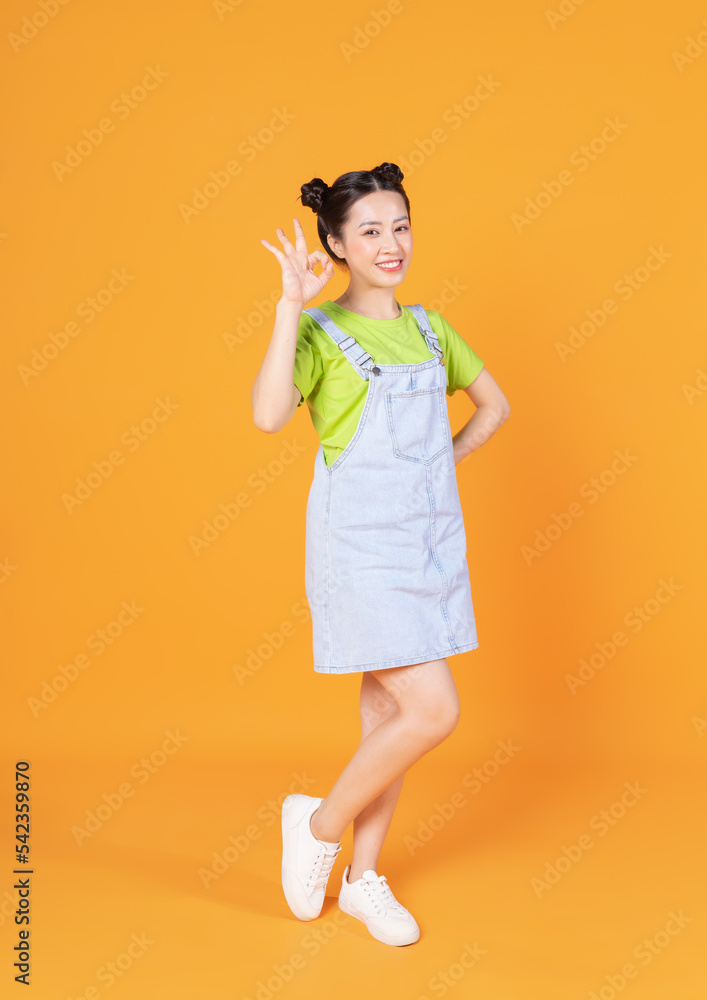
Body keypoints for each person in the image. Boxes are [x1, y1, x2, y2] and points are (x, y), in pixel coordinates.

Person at [251, 161, 510, 947]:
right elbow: (266, 417)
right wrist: (289, 306)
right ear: (334, 244)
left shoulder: (431, 328)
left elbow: (494, 406)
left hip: (426, 544)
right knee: (434, 710)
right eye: (369, 231)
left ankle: (363, 882)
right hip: (358, 552)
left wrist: (436, 465)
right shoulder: (322, 333)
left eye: (399, 226)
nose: (389, 243)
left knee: (389, 715)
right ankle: (319, 824)